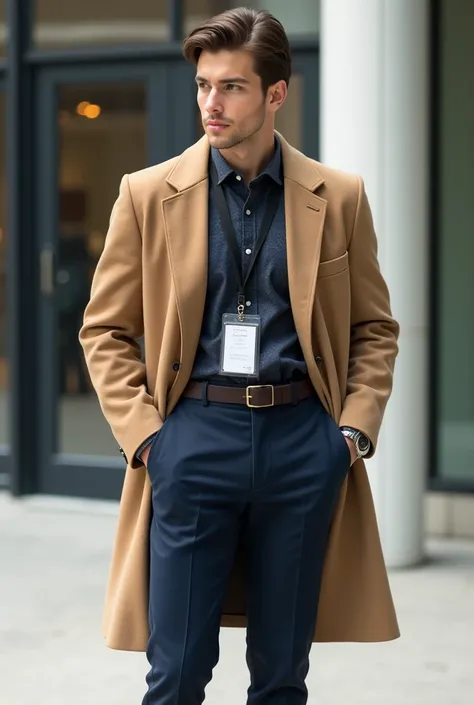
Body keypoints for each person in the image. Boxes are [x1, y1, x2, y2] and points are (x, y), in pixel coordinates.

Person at [79, 7, 400, 704]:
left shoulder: (338, 197)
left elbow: (374, 329)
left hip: (301, 444)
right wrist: (149, 441)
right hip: (192, 439)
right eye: (203, 86)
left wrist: (348, 433)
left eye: (231, 88)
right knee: (176, 673)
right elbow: (103, 331)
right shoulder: (146, 194)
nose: (210, 105)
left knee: (282, 675)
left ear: (276, 94)